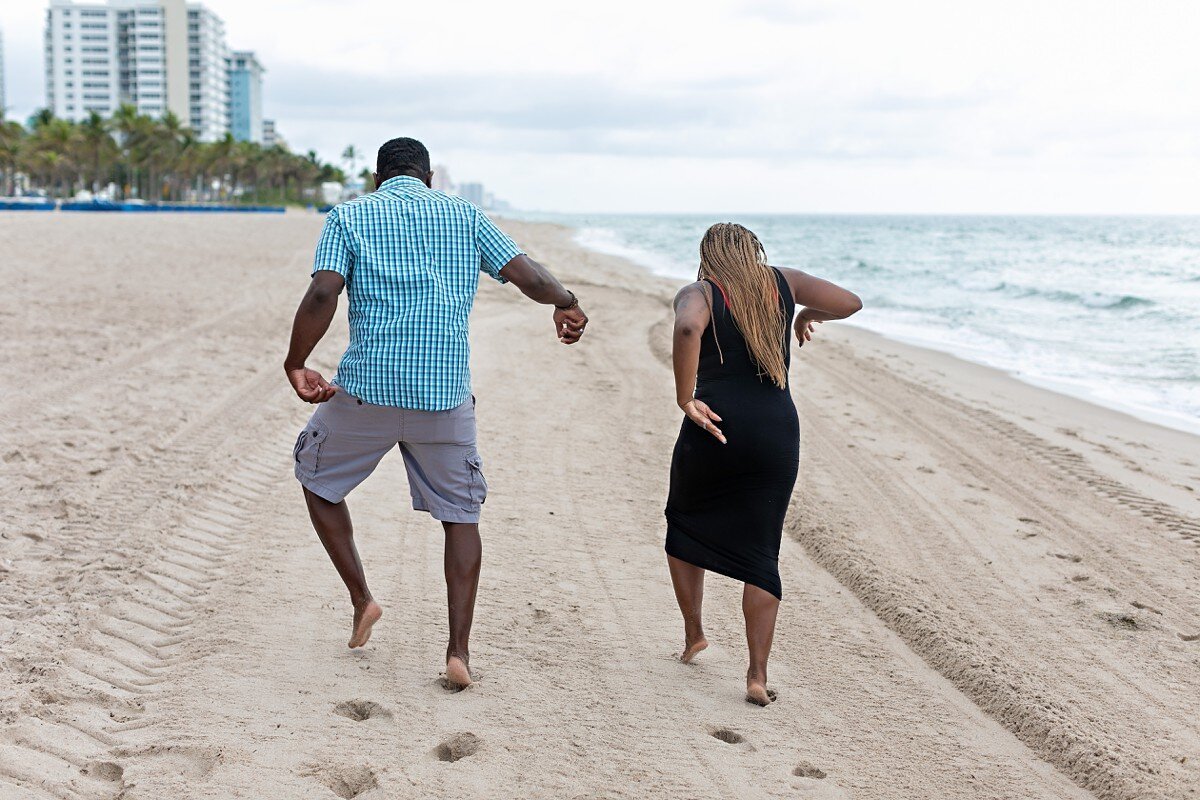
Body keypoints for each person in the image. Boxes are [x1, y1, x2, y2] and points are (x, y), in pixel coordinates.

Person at [284, 137, 587, 689]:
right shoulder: (465, 215)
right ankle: (458, 654)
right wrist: (567, 302)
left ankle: (363, 599)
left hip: (365, 393)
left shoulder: (350, 216)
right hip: (444, 399)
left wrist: (296, 360)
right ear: (428, 177)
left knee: (317, 479)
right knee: (461, 516)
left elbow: (324, 293)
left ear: (379, 176)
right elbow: (529, 277)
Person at [665, 222, 861, 705]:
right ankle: (756, 675)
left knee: (684, 523)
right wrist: (803, 313)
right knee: (762, 551)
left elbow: (688, 326)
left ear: (708, 255)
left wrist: (684, 397)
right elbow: (850, 302)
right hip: (776, 430)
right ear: (754, 251)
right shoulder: (783, 282)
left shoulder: (701, 292)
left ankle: (695, 634)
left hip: (715, 427)